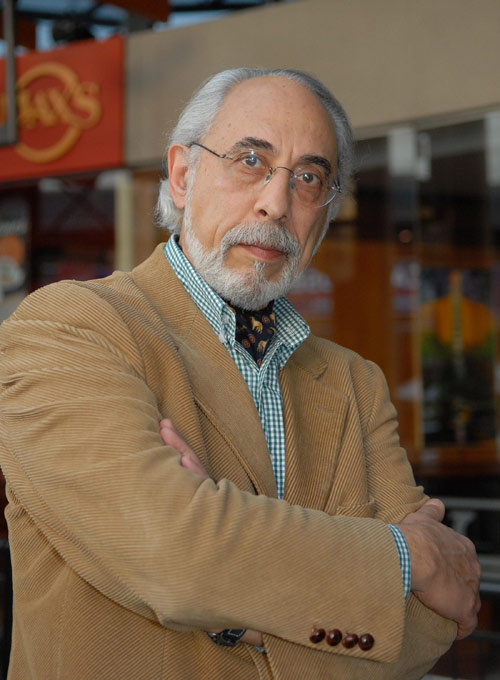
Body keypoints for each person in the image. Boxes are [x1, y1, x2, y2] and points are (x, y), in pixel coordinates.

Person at [0, 68, 480, 680]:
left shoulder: (356, 384)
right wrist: (406, 559)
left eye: (308, 177)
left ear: (326, 212)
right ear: (181, 175)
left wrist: (229, 611)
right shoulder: (69, 327)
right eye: (250, 160)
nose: (276, 203)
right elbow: (172, 551)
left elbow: (436, 619)